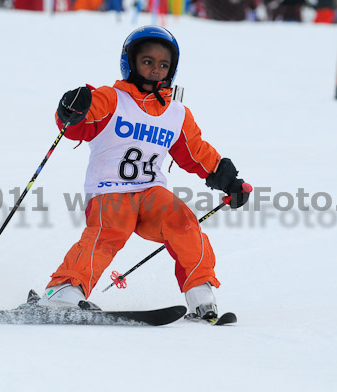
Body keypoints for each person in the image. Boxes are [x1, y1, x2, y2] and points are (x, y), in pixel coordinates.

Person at [40, 26, 250, 319]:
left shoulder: (176, 113)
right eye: (148, 62)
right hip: (109, 190)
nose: (155, 70)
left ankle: (201, 294)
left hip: (151, 193)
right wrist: (70, 110)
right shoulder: (110, 98)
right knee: (110, 231)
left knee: (183, 222)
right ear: (131, 62)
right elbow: (79, 125)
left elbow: (195, 152)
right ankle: (63, 289)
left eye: (163, 65)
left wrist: (227, 179)